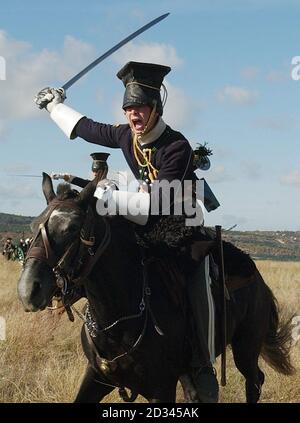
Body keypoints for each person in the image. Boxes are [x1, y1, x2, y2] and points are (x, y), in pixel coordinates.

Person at [34, 61, 219, 402]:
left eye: (140, 109)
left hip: (182, 223)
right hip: (143, 217)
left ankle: (201, 363)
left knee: (199, 275)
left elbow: (153, 208)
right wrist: (54, 106)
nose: (134, 116)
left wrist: (103, 194)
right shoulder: (124, 135)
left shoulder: (176, 146)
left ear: (155, 109)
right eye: (129, 109)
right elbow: (86, 128)